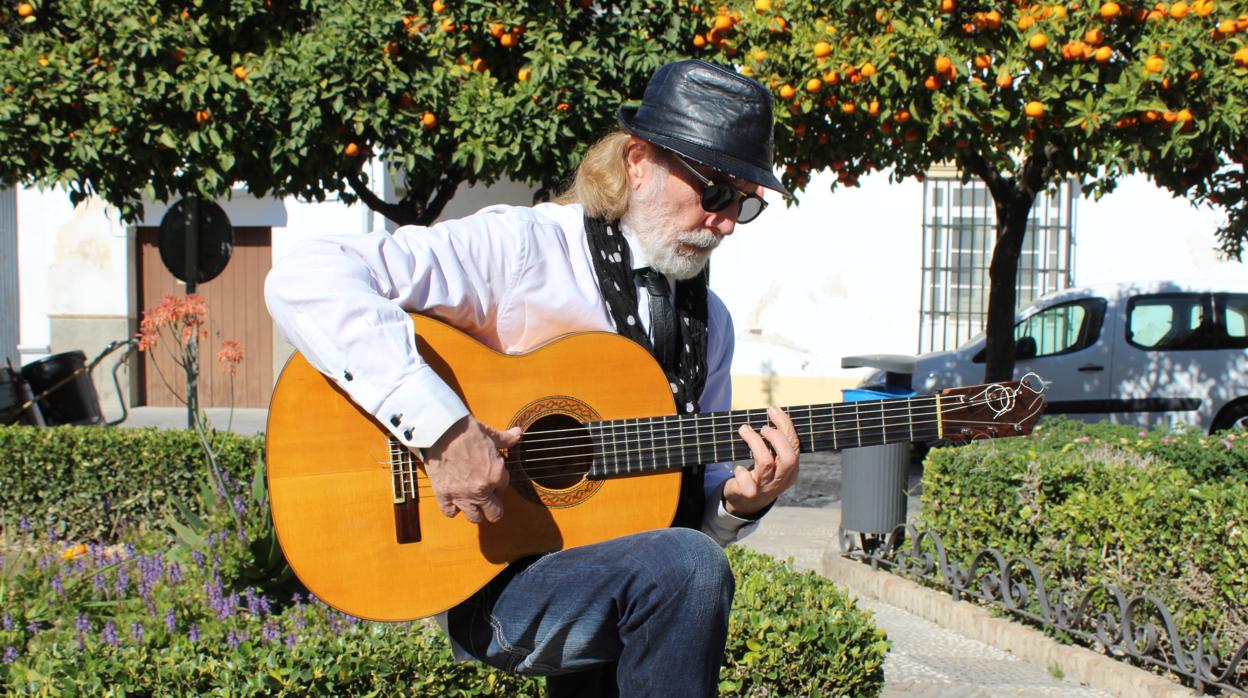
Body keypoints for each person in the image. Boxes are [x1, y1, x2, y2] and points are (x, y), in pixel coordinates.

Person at [265, 59, 800, 697]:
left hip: (613, 577)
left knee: (680, 565)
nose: (727, 221)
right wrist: (442, 432)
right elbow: (307, 276)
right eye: (714, 192)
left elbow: (681, 526)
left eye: (744, 203)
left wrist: (737, 504)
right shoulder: (523, 250)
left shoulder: (709, 323)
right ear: (638, 161)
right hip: (494, 582)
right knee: (683, 566)